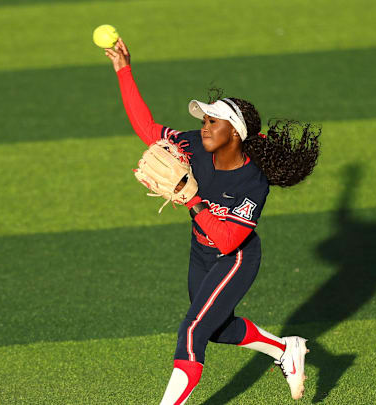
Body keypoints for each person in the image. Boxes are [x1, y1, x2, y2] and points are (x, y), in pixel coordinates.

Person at [104, 38, 321, 404]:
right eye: (204, 120)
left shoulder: (253, 183)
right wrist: (124, 70)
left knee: (191, 332)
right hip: (200, 254)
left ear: (234, 133)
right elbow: (146, 127)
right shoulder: (193, 146)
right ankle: (285, 350)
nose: (203, 127)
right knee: (218, 328)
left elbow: (227, 241)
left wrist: (193, 199)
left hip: (235, 258)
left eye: (212, 122)